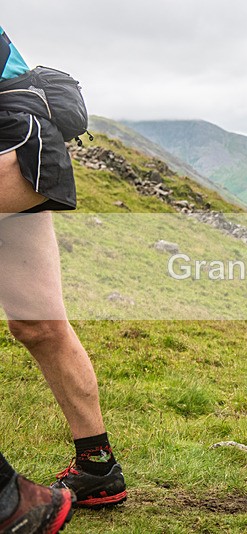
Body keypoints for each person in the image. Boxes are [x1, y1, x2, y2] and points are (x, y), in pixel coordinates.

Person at [0, 25, 126, 533]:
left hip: (14, 141)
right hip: (23, 144)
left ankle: (10, 503)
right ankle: (97, 469)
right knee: (38, 324)